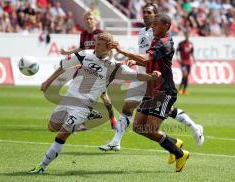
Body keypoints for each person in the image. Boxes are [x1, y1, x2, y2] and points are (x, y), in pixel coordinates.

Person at [29, 32, 161, 174]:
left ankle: (41, 167)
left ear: (109, 47)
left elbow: (137, 75)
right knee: (52, 127)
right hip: (68, 98)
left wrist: (152, 76)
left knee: (62, 135)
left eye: (99, 44)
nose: (95, 46)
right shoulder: (84, 54)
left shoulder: (114, 66)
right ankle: (89, 116)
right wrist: (48, 82)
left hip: (83, 105)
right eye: (95, 43)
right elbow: (63, 66)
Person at [99, 3, 203, 156]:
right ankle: (116, 141)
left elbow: (149, 56)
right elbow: (144, 56)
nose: (145, 15)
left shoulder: (161, 38)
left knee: (158, 115)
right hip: (142, 75)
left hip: (155, 79)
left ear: (157, 15)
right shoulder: (143, 32)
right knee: (130, 109)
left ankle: (190, 130)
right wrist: (136, 62)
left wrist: (124, 52)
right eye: (144, 12)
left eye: (149, 12)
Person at [107, 14, 190, 172]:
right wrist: (136, 61)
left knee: (151, 129)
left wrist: (121, 50)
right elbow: (151, 60)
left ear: (166, 25)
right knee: (139, 127)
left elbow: (147, 58)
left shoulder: (164, 42)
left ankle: (180, 154)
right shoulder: (157, 40)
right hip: (150, 90)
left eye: (155, 24)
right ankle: (174, 143)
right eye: (152, 24)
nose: (152, 26)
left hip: (164, 92)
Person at [60, 10, 117, 129]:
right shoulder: (83, 34)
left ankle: (112, 119)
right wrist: (68, 52)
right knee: (76, 90)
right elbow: (81, 49)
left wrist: (107, 65)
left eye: (91, 18)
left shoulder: (101, 34)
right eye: (87, 19)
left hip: (99, 69)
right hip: (85, 68)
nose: (89, 20)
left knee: (104, 96)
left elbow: (111, 50)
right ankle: (81, 120)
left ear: (95, 20)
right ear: (84, 21)